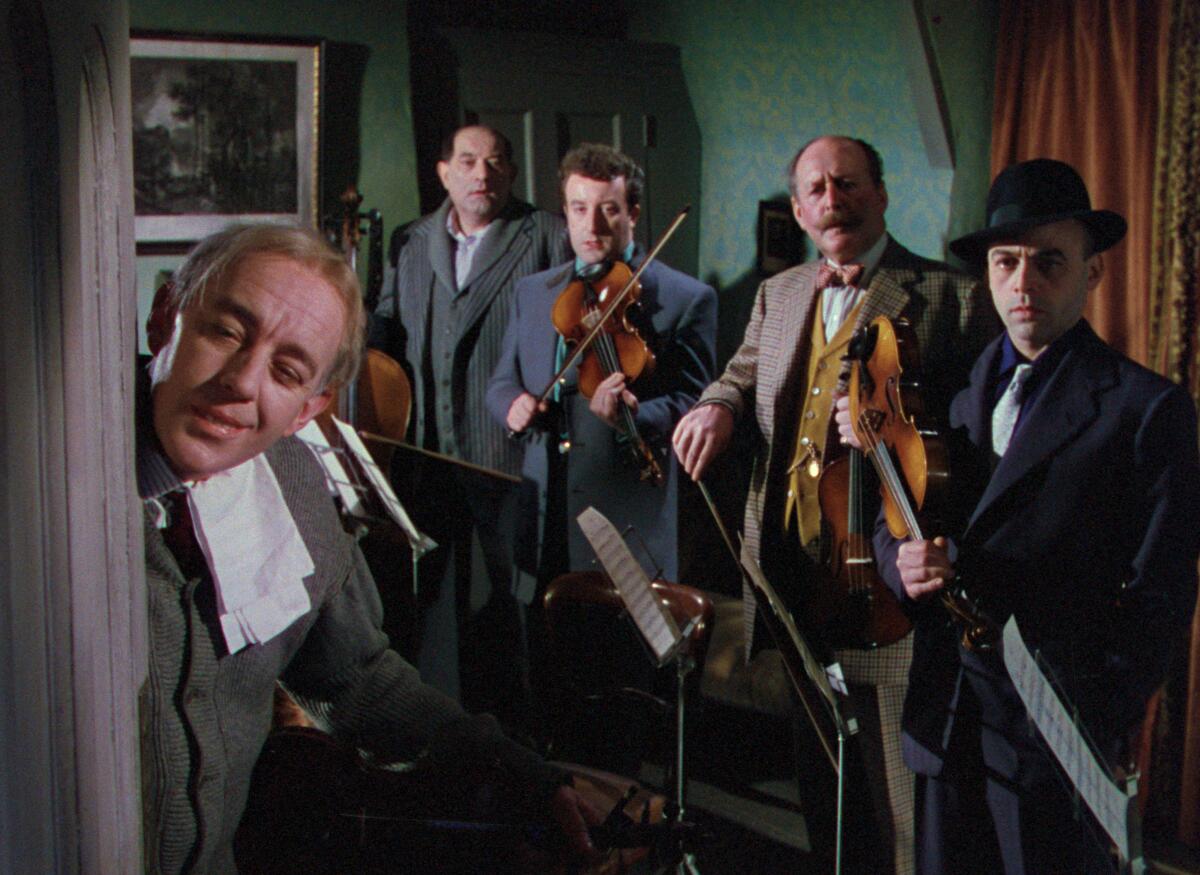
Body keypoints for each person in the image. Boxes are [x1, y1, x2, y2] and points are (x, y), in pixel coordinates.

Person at [139, 223, 598, 874]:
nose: (243, 382)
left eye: (287, 369)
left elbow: (354, 679)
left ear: (309, 406)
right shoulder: (45, 485)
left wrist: (528, 775)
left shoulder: (297, 483)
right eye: (226, 332)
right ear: (165, 319)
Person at [672, 135, 997, 873]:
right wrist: (718, 407)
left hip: (881, 587)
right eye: (815, 189)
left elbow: (982, 444)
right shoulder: (778, 292)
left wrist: (901, 424)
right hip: (789, 577)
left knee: (899, 806)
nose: (832, 199)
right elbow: (741, 371)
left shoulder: (953, 295)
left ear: (881, 195)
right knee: (824, 787)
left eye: (848, 184)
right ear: (798, 208)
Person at [865, 158, 1200, 873]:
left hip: (1054, 742)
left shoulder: (1147, 409)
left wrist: (1088, 722)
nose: (1024, 283)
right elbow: (888, 522)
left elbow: (1161, 598)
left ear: (1092, 273)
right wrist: (902, 563)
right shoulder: (948, 390)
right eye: (1006, 262)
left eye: (1050, 262)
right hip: (944, 718)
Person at [370, 124, 570, 719]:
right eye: (468, 161)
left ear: (511, 172)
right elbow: (388, 321)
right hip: (429, 449)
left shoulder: (546, 237)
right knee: (428, 598)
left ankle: (530, 730)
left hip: (508, 452)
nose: (482, 174)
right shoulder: (411, 240)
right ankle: (435, 721)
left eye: (496, 161)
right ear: (444, 172)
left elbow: (576, 332)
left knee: (520, 598)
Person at [486, 142, 717, 591]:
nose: (591, 226)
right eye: (578, 208)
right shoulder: (533, 292)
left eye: (608, 209)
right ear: (565, 213)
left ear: (632, 211)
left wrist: (632, 414)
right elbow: (500, 380)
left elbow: (697, 403)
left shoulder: (685, 298)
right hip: (543, 509)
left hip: (625, 511)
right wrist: (509, 404)